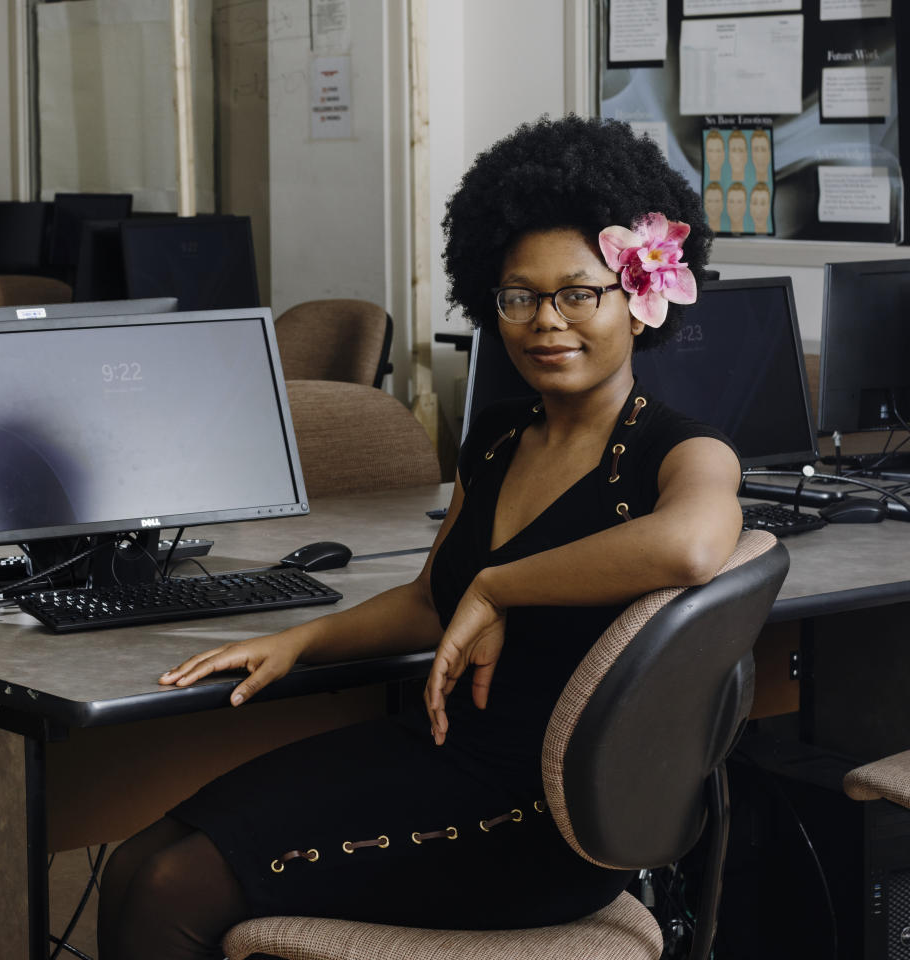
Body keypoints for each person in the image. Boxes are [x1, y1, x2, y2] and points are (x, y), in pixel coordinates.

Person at [96, 115, 743, 960]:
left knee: (169, 889)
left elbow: (693, 546)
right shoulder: (500, 439)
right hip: (440, 756)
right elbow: (428, 602)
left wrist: (501, 584)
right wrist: (299, 640)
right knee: (132, 861)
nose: (547, 322)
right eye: (519, 296)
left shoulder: (680, 450)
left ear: (640, 299)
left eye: (579, 293)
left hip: (545, 819)